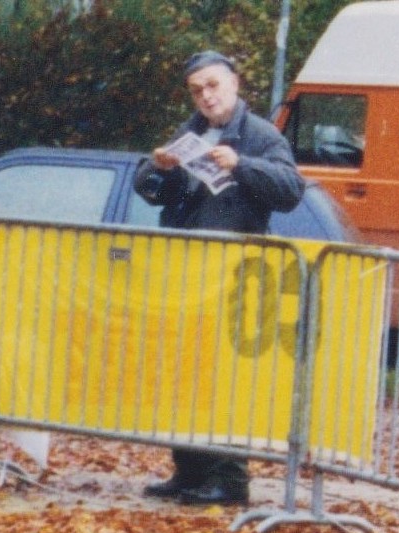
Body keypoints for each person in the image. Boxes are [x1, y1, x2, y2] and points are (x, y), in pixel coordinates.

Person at [134, 50, 305, 507]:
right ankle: (188, 469)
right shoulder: (188, 132)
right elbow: (149, 190)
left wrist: (241, 165)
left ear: (234, 82)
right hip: (186, 270)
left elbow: (291, 190)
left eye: (212, 85)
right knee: (183, 372)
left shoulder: (262, 135)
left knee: (223, 379)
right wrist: (157, 168)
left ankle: (230, 479)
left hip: (233, 274)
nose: (206, 97)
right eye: (196, 90)